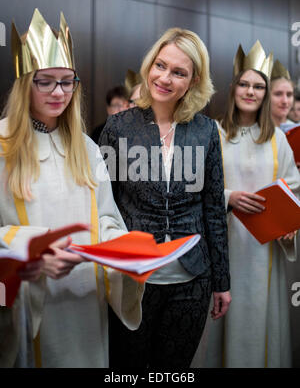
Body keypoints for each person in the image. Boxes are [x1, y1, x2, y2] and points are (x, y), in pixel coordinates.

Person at [0, 9, 143, 368]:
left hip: (84, 299)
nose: (58, 92)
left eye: (67, 81)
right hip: (29, 302)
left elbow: (107, 220)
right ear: (24, 83)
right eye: (45, 81)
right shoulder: (3, 144)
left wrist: (125, 252)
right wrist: (29, 252)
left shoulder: (87, 148)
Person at [99, 27, 231, 367]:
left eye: (179, 72)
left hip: (193, 280)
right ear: (149, 65)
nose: (165, 77)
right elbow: (104, 207)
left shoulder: (205, 131)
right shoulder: (118, 128)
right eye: (160, 65)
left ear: (193, 80)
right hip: (135, 279)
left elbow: (214, 210)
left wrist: (222, 282)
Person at [192, 41, 300, 368]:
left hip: (262, 249)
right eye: (244, 84)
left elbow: (293, 188)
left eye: (258, 86)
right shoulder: (212, 132)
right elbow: (194, 187)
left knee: (257, 322)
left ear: (265, 94)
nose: (250, 91)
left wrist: (289, 225)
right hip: (222, 244)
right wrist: (230, 197)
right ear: (233, 88)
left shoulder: (276, 138)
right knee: (217, 327)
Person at [270, 60, 295, 126]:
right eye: (278, 94)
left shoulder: (296, 131)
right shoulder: (253, 131)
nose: (285, 101)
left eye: (289, 95)